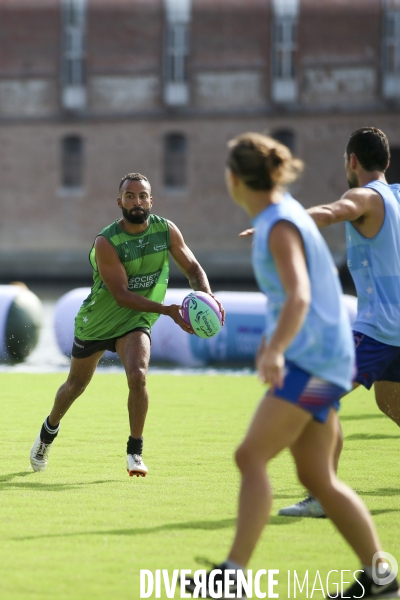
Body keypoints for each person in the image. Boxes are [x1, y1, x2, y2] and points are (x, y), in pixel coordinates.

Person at [183, 133, 398, 599]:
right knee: (318, 477)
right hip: (328, 358)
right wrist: (272, 338)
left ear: (235, 180)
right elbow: (294, 296)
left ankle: (231, 576)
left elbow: (299, 294)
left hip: (315, 363)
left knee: (250, 456)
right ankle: (381, 577)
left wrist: (275, 348)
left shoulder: (280, 225)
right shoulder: (284, 216)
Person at [30, 172, 224, 477]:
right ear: (120, 201)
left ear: (151, 200)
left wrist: (208, 297)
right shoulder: (106, 242)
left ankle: (135, 452)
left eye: (143, 196)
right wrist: (168, 310)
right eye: (130, 196)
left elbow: (193, 267)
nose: (137, 201)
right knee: (75, 387)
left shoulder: (166, 230)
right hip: (98, 322)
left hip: (136, 320)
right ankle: (47, 433)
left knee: (138, 376)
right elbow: (121, 295)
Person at [278, 126, 400, 518]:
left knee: (310, 399)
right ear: (387, 160)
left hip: (379, 330)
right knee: (390, 402)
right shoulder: (397, 196)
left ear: (352, 161)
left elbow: (334, 212)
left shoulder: (362, 195)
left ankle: (322, 496)